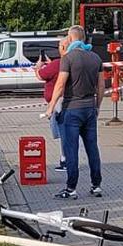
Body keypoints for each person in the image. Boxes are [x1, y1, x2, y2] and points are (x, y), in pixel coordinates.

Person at [43, 24, 105, 199]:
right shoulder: (95, 58)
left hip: (72, 109)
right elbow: (101, 87)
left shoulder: (68, 58)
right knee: (92, 147)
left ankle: (71, 188)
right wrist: (97, 106)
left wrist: (50, 107)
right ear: (84, 38)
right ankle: (96, 185)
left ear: (70, 39)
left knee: (71, 149)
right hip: (89, 109)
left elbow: (61, 84)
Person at [36, 28, 77, 173]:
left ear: (64, 47)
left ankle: (66, 161)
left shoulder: (60, 63)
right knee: (68, 134)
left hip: (61, 104)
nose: (58, 48)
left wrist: (38, 67)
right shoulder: (74, 60)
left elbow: (43, 76)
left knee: (63, 133)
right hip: (76, 103)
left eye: (59, 46)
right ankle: (67, 159)